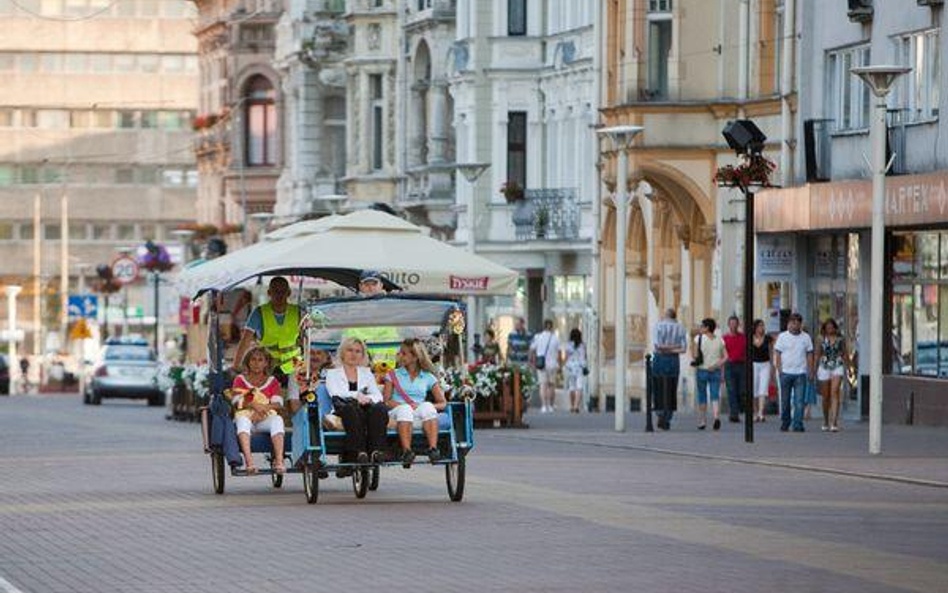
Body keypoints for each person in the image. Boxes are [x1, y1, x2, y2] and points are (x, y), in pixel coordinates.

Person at [383, 339, 448, 467]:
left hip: (418, 412)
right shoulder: (392, 375)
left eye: (404, 353)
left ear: (415, 356)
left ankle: (433, 449)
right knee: (405, 409)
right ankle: (407, 451)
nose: (400, 356)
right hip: (397, 412)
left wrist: (419, 406)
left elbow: (442, 403)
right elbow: (386, 401)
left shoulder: (428, 376)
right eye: (400, 353)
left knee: (428, 407)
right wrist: (402, 405)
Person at [324, 337, 388, 465]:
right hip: (344, 407)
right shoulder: (332, 373)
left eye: (358, 351)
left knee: (380, 409)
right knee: (351, 409)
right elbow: (335, 393)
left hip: (364, 407)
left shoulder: (367, 373)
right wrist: (356, 395)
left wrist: (368, 398)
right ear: (342, 353)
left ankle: (376, 451)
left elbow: (377, 395)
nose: (353, 354)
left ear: (362, 355)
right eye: (350, 350)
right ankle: (359, 452)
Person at [233, 277, 301, 387]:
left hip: (294, 367)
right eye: (276, 291)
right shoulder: (259, 313)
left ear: (288, 293)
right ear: (269, 292)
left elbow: (306, 339)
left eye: (283, 291)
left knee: (293, 400)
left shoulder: (298, 311)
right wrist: (236, 365)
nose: (279, 295)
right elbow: (245, 340)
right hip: (266, 368)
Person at [229, 347, 286, 475]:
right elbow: (236, 401)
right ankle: (250, 463)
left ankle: (279, 461)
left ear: (266, 363)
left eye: (260, 360)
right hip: (246, 417)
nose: (256, 363)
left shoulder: (272, 381)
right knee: (243, 420)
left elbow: (278, 404)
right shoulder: (240, 379)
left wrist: (262, 409)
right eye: (253, 360)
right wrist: (254, 405)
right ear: (248, 362)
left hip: (264, 418)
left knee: (278, 420)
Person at [343, 270, 400, 365]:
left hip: (386, 369)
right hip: (359, 367)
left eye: (374, 284)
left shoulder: (392, 304)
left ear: (381, 285)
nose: (370, 287)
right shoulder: (351, 307)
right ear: (360, 286)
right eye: (366, 284)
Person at [774, 313, 815, 433]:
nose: (794, 325)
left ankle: (798, 424)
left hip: (800, 373)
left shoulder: (806, 337)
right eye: (792, 323)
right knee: (785, 400)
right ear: (789, 324)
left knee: (799, 401)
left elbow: (810, 354)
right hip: (786, 372)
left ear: (800, 324)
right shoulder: (782, 336)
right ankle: (786, 422)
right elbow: (778, 353)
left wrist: (810, 370)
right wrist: (779, 369)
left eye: (797, 323)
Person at [652, 308, 688, 430]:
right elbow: (683, 348)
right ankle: (668, 417)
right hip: (674, 359)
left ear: (666, 315)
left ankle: (660, 412)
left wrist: (665, 349)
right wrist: (674, 347)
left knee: (658, 385)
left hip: (660, 358)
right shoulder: (680, 327)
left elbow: (658, 346)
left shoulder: (659, 326)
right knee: (672, 387)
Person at [814, 318, 849, 432]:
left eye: (831, 327)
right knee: (826, 396)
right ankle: (825, 420)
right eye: (827, 327)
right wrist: (813, 370)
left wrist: (848, 367)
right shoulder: (820, 339)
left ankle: (834, 422)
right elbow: (817, 354)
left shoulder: (840, 339)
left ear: (835, 327)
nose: (830, 329)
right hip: (824, 367)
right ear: (824, 328)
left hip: (837, 366)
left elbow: (844, 353)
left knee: (835, 392)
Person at [693, 318, 727, 431]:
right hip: (715, 370)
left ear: (707, 328)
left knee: (702, 395)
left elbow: (695, 355)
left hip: (702, 370)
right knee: (714, 395)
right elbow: (726, 357)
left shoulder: (698, 338)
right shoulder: (720, 340)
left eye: (702, 326)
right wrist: (717, 365)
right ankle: (716, 417)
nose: (700, 328)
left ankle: (703, 421)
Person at [530, 319, 561, 413]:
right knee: (551, 385)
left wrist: (533, 361)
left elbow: (531, 349)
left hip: (541, 364)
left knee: (543, 385)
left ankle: (544, 406)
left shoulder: (538, 337)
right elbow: (559, 353)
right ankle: (550, 406)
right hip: (553, 364)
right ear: (551, 327)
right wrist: (560, 364)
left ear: (543, 326)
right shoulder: (555, 338)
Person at [722, 315, 748, 423]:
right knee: (731, 390)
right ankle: (734, 414)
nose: (733, 325)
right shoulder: (724, 338)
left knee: (741, 390)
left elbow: (747, 352)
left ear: (738, 325)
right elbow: (722, 355)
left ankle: (740, 408)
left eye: (735, 323)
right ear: (728, 325)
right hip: (729, 365)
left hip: (742, 365)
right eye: (731, 324)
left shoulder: (743, 337)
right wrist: (722, 371)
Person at [750, 319, 773, 422]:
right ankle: (755, 412)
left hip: (765, 364)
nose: (761, 328)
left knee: (763, 389)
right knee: (754, 388)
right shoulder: (750, 338)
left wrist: (773, 365)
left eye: (762, 326)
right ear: (755, 328)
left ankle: (761, 412)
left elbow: (771, 352)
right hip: (754, 364)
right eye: (759, 326)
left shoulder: (768, 338)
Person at [564, 328, 587, 414]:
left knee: (571, 387)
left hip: (570, 367)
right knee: (579, 387)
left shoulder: (568, 345)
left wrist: (565, 364)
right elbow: (585, 356)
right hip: (580, 367)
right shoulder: (582, 345)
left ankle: (571, 405)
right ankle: (576, 406)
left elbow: (566, 357)